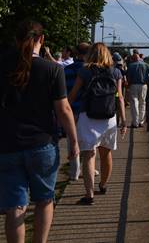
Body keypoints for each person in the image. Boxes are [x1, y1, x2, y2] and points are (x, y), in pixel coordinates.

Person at [0, 20, 79, 243]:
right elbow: (63, 110)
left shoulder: (2, 66)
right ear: (41, 40)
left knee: (15, 205)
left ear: (16, 40)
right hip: (42, 145)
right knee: (44, 200)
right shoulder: (52, 69)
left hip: (7, 146)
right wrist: (73, 141)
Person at [69, 43, 126, 205]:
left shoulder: (85, 71)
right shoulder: (116, 72)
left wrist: (67, 113)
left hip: (88, 116)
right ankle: (103, 184)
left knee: (88, 155)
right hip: (109, 118)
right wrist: (123, 121)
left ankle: (89, 195)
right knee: (106, 154)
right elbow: (120, 97)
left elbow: (73, 95)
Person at [63, 42, 90, 181]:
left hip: (71, 109)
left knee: (71, 141)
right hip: (87, 111)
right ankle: (88, 168)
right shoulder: (90, 70)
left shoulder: (66, 70)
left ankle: (74, 172)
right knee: (87, 142)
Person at [126, 53, 149, 128]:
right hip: (143, 85)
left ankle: (135, 122)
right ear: (139, 58)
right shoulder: (145, 64)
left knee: (134, 103)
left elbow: (128, 77)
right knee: (142, 103)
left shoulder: (131, 66)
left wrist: (128, 86)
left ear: (133, 59)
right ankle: (141, 122)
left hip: (133, 85)